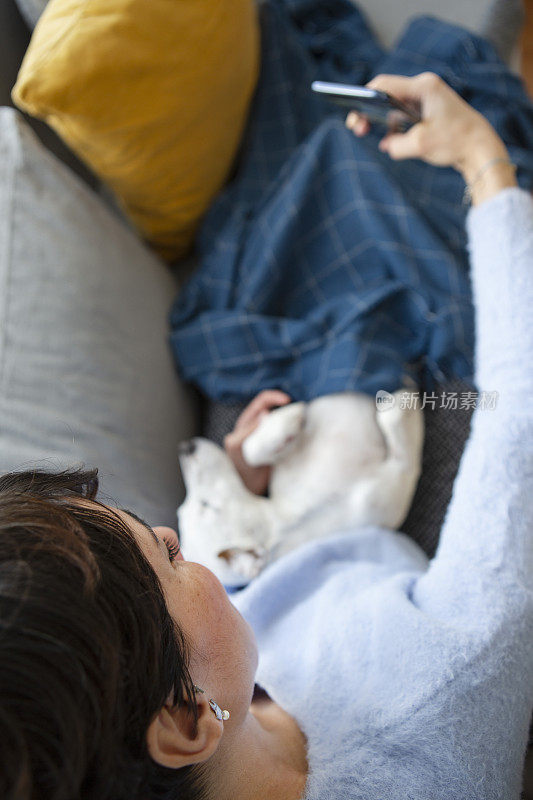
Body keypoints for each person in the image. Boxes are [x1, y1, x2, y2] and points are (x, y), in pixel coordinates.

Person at [0, 72, 531, 800]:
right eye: (168, 556)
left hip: (275, 531)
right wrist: (483, 160)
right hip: (386, 518)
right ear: (186, 719)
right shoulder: (439, 680)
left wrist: (240, 484)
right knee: (358, 201)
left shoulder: (192, 696)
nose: (165, 529)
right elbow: (519, 415)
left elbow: (222, 592)